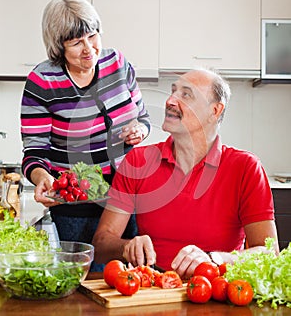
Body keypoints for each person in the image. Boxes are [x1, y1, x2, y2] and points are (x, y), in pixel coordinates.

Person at [93, 68, 279, 279]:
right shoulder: (138, 161)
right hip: (154, 289)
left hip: (218, 288)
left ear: (215, 111)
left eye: (186, 94)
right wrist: (127, 247)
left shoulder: (246, 167)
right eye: (173, 92)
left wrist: (215, 259)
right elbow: (100, 245)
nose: (170, 101)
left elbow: (269, 253)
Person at [20, 0, 151, 271]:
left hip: (127, 197)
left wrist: (139, 129)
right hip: (76, 206)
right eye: (76, 42)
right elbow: (34, 151)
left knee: (132, 275)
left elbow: (143, 118)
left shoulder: (118, 64)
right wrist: (43, 176)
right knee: (88, 280)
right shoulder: (42, 81)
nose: (89, 49)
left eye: (93, 36)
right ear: (59, 47)